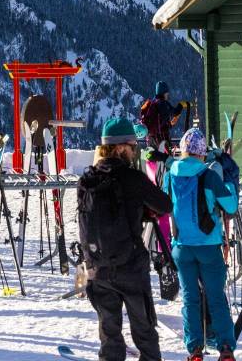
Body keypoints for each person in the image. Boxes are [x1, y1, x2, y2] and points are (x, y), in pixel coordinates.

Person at [77, 117, 173, 361]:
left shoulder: (87, 180)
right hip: (130, 267)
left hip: (97, 268)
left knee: (109, 335)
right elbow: (165, 205)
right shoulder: (133, 178)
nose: (134, 151)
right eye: (132, 146)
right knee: (144, 331)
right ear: (119, 148)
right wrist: (143, 210)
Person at [166, 128, 239, 361]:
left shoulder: (171, 174)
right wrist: (230, 185)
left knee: (190, 298)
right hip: (208, 246)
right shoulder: (208, 176)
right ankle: (225, 348)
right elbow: (231, 206)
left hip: (181, 246)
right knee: (216, 296)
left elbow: (165, 203)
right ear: (202, 153)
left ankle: (195, 349)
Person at [139, 82, 185, 151]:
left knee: (153, 155)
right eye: (167, 92)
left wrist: (170, 124)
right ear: (164, 93)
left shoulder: (152, 103)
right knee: (166, 156)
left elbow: (159, 121)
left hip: (150, 138)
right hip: (161, 138)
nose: (168, 94)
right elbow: (175, 112)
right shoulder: (163, 103)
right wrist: (181, 105)